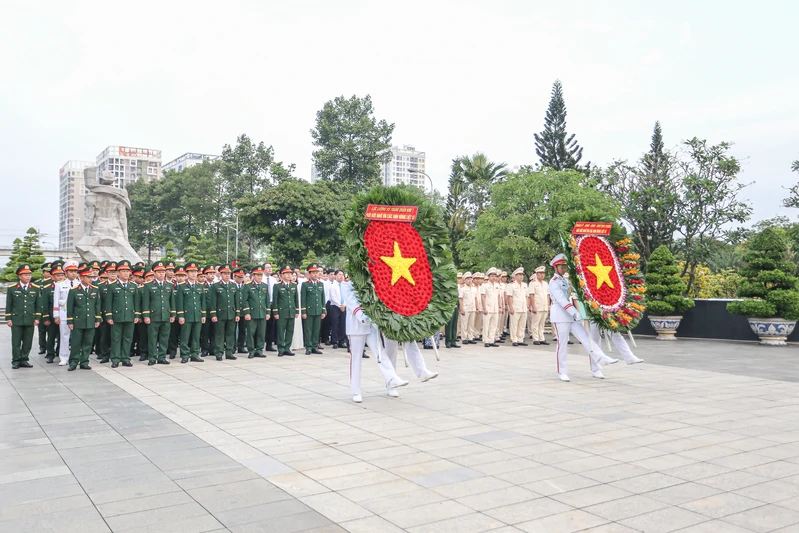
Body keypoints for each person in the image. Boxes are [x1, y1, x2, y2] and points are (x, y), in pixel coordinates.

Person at [548, 253, 617, 381]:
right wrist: (574, 312)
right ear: (555, 267)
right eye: (561, 266)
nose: (564, 268)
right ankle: (562, 371)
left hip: (571, 316)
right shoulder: (554, 282)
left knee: (586, 338)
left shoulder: (565, 280)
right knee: (562, 344)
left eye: (564, 266)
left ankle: (600, 360)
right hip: (560, 315)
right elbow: (562, 300)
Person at [341, 280, 408, 403]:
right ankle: (356, 391)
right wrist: (363, 315)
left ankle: (391, 380)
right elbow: (351, 302)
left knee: (380, 353)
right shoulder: (347, 284)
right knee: (356, 358)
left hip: (372, 325)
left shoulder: (369, 280)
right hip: (356, 325)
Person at [66, 265, 101, 371]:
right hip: (78, 320)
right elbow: (70, 306)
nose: (90, 279)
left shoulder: (95, 289)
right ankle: (73, 362)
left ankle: (84, 361)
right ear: (81, 278)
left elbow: (97, 305)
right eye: (88, 277)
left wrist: (97, 319)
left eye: (91, 277)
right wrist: (70, 320)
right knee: (76, 343)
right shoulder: (74, 290)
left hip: (90, 320)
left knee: (88, 343)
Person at [142, 261, 175, 367]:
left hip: (165, 315)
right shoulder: (148, 285)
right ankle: (152, 357)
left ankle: (162, 357)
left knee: (164, 337)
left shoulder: (169, 285)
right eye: (159, 272)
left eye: (163, 272)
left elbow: (172, 301)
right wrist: (146, 315)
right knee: (152, 337)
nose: (161, 274)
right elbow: (146, 302)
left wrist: (172, 314)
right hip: (153, 316)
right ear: (154, 273)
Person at [6, 264, 40, 369]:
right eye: (25, 274)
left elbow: (38, 304)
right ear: (19, 276)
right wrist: (8, 318)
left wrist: (37, 318)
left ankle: (24, 359)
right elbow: (9, 304)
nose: (28, 276)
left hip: (30, 318)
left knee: (27, 341)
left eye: (29, 274)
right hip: (17, 319)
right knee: (16, 341)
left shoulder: (36, 288)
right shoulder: (12, 288)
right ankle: (15, 360)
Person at [106, 260, 138, 368]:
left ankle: (125, 358)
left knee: (128, 338)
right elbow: (109, 303)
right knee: (116, 338)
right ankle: (115, 359)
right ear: (118, 273)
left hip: (129, 315)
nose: (125, 273)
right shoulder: (112, 286)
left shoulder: (133, 286)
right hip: (117, 316)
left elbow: (136, 302)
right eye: (123, 271)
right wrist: (109, 316)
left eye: (127, 271)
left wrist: (137, 315)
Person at [176, 262, 206, 363]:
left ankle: (195, 354)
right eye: (191, 272)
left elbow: (202, 302)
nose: (194, 274)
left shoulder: (200, 286)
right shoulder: (182, 286)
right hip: (186, 315)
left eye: (195, 272)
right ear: (187, 273)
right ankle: (184, 355)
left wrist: (203, 314)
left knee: (196, 336)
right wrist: (180, 315)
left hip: (197, 314)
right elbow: (179, 302)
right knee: (185, 336)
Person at [209, 264, 240, 361]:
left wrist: (237, 313)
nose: (227, 275)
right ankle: (219, 352)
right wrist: (213, 314)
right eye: (225, 274)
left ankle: (229, 352)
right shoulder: (216, 286)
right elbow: (213, 301)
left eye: (228, 273)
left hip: (231, 313)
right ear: (221, 274)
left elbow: (237, 301)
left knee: (230, 334)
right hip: (220, 314)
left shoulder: (233, 285)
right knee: (219, 334)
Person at [53, 261, 79, 366]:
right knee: (64, 336)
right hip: (64, 314)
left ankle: (75, 356)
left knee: (77, 337)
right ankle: (64, 357)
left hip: (77, 314)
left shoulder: (80, 284)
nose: (73, 273)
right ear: (66, 272)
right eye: (71, 271)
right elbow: (56, 300)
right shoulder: (60, 284)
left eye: (75, 271)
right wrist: (56, 315)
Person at [243, 265, 270, 359]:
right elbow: (244, 300)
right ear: (253, 275)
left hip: (262, 313)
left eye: (261, 275)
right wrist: (247, 312)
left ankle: (259, 350)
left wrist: (268, 312)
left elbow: (267, 300)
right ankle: (251, 350)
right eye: (257, 275)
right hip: (252, 314)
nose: (259, 277)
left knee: (261, 333)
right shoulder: (248, 286)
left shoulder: (264, 286)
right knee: (251, 333)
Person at [271, 265, 298, 356]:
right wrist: (275, 312)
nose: (289, 275)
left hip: (291, 311)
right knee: (281, 331)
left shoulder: (294, 285)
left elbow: (296, 299)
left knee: (290, 331)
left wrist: (297, 310)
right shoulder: (277, 286)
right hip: (282, 312)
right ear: (282, 275)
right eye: (286, 273)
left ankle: (287, 348)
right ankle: (281, 348)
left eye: (290, 273)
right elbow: (275, 300)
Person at [301, 263, 327, 355]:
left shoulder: (321, 284)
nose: (316, 274)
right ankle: (308, 347)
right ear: (309, 274)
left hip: (318, 310)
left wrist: (323, 310)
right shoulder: (305, 284)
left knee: (316, 329)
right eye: (313, 273)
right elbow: (303, 299)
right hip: (309, 310)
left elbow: (322, 298)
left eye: (317, 272)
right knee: (308, 330)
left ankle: (315, 346)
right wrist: (303, 311)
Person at [41, 264, 63, 363]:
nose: (60, 277)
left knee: (63, 335)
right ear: (52, 277)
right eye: (58, 275)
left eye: (62, 275)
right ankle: (50, 354)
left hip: (63, 315)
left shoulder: (67, 286)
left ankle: (59, 351)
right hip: (51, 316)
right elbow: (44, 304)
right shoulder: (47, 287)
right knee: (51, 336)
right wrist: (45, 317)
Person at [97, 262, 117, 363]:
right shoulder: (100, 286)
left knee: (116, 337)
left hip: (118, 315)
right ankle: (104, 355)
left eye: (114, 272)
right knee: (104, 336)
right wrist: (99, 315)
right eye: (110, 272)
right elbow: (98, 302)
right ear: (106, 273)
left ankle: (115, 354)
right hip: (105, 315)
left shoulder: (121, 285)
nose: (113, 274)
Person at [528, 266, 550, 345]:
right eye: (540, 273)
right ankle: (535, 338)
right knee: (535, 323)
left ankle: (541, 338)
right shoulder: (533, 283)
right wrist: (533, 306)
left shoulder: (545, 283)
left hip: (544, 306)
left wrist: (548, 305)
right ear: (536, 274)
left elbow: (548, 295)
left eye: (543, 273)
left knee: (542, 323)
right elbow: (531, 295)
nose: (542, 275)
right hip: (537, 306)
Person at [506, 267, 528, 346]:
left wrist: (527, 306)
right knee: (514, 324)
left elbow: (526, 296)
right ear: (515, 276)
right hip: (515, 307)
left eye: (522, 275)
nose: (521, 276)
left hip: (523, 307)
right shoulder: (511, 285)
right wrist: (511, 307)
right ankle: (514, 339)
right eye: (519, 275)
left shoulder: (525, 285)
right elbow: (509, 297)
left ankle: (520, 339)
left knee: (522, 325)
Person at [479, 268, 501, 348]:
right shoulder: (485, 285)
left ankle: (492, 340)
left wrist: (499, 307)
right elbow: (483, 297)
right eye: (492, 276)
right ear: (488, 277)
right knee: (486, 325)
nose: (494, 278)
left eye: (495, 276)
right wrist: (484, 308)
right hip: (488, 307)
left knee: (494, 325)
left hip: (495, 308)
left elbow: (498, 297)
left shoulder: (497, 285)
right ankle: (486, 340)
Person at [167, 265, 185, 358]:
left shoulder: (187, 286)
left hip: (184, 314)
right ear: (175, 276)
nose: (180, 278)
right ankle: (172, 351)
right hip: (173, 314)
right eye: (178, 276)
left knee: (184, 334)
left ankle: (184, 352)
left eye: (182, 276)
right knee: (173, 334)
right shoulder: (171, 286)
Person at [35, 262, 52, 355]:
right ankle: (42, 346)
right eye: (46, 271)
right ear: (43, 272)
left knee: (51, 331)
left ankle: (50, 348)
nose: (48, 273)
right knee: (41, 330)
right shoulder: (38, 283)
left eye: (50, 272)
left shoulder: (53, 283)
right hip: (40, 310)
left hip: (49, 310)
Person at [329, 270, 347, 349]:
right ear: (335, 276)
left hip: (344, 306)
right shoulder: (333, 286)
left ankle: (341, 341)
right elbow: (333, 298)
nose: (341, 276)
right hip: (335, 307)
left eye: (342, 274)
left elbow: (347, 296)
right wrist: (340, 305)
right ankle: (335, 341)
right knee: (335, 324)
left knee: (343, 324)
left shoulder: (345, 285)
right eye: (339, 274)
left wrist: (344, 305)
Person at [200, 266, 216, 357]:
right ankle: (204, 349)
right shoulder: (201, 286)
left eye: (213, 274)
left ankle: (213, 349)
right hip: (205, 313)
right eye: (210, 274)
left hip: (215, 313)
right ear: (205, 275)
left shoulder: (216, 285)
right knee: (205, 332)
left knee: (214, 332)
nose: (212, 275)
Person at [233, 268, 248, 354]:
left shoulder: (244, 286)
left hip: (243, 311)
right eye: (239, 277)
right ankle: (232, 347)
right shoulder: (231, 285)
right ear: (234, 276)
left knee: (243, 330)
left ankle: (241, 346)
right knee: (233, 331)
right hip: (234, 311)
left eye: (242, 277)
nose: (241, 279)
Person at [459, 272, 477, 344]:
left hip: (472, 308)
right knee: (464, 323)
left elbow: (475, 298)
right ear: (465, 280)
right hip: (465, 308)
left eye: (470, 279)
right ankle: (464, 338)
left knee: (471, 324)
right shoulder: (462, 289)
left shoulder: (474, 288)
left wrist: (476, 308)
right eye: (468, 279)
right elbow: (460, 299)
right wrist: (461, 308)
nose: (469, 280)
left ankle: (470, 337)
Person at [291, 271, 305, 353]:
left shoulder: (299, 286)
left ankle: (298, 344)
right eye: (292, 275)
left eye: (294, 276)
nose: (293, 277)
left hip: (298, 307)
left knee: (298, 326)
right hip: (290, 308)